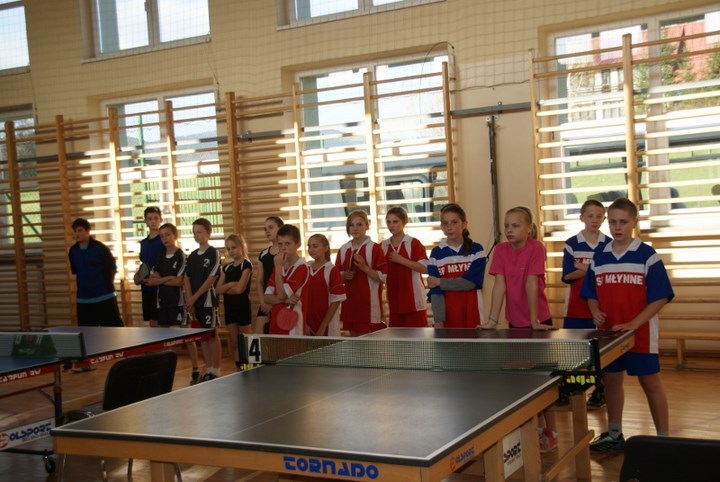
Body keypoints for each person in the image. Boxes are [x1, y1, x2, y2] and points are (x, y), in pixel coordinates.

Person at [581, 198, 673, 452]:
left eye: (623, 222)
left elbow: (661, 297)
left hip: (641, 332)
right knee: (611, 381)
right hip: (610, 334)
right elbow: (590, 293)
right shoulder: (600, 256)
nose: (617, 227)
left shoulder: (647, 256)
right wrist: (595, 311)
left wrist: (634, 323)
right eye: (612, 222)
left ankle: (664, 438)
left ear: (634, 222)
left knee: (650, 383)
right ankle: (614, 434)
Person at [484, 206, 557, 453]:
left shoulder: (536, 248)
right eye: (506, 225)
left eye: (515, 226)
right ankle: (536, 430)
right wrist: (492, 320)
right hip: (515, 324)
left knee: (543, 380)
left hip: (540, 324)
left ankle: (552, 432)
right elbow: (499, 286)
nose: (509, 230)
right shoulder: (501, 250)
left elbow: (531, 283)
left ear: (528, 228)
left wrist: (534, 320)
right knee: (523, 382)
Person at [562, 199, 609, 408]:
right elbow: (567, 275)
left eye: (599, 216)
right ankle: (571, 390)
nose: (594, 220)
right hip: (574, 307)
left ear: (604, 218)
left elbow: (605, 273)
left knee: (599, 353)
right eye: (590, 216)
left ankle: (600, 391)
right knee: (572, 352)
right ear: (582, 218)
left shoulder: (608, 244)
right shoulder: (572, 243)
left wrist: (582, 267)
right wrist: (592, 268)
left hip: (599, 307)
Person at [425, 204, 485, 328]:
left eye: (454, 222)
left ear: (464, 224)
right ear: (441, 227)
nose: (449, 227)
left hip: (472, 312)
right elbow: (435, 290)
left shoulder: (477, 250)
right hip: (447, 316)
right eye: (445, 223)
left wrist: (439, 281)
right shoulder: (436, 253)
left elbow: (470, 283)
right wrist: (439, 320)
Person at [335, 210, 387, 336]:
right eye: (351, 225)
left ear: (366, 226)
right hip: (350, 303)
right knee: (354, 339)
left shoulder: (374, 248)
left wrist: (364, 267)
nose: (355, 228)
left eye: (359, 224)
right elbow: (336, 277)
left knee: (370, 341)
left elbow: (383, 277)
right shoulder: (344, 249)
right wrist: (343, 276)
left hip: (369, 304)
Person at [183, 218, 222, 383]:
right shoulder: (191, 256)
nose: (196, 235)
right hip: (195, 302)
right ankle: (208, 368)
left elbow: (211, 279)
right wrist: (189, 299)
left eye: (199, 232)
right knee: (202, 336)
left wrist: (194, 297)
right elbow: (186, 278)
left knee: (212, 334)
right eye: (194, 232)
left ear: (208, 233)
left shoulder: (213, 253)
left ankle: (216, 370)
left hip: (207, 301)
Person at [68, 218, 124, 327]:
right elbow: (75, 271)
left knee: (112, 331)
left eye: (80, 230)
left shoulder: (100, 248)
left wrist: (105, 283)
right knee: (88, 333)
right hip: (84, 300)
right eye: (75, 231)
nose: (77, 234)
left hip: (104, 297)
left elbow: (112, 267)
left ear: (88, 231)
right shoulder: (73, 251)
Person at [381, 207, 428, 327]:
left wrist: (401, 260)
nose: (391, 225)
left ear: (404, 222)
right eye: (388, 222)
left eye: (395, 221)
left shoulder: (414, 243)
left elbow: (425, 268)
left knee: (418, 337)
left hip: (414, 301)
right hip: (394, 301)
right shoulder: (383, 246)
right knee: (398, 338)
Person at [264, 225, 309, 335]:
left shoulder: (301, 267)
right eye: (280, 244)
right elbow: (266, 298)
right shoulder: (278, 267)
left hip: (293, 327)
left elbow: (281, 295)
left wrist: (278, 266)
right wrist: (285, 301)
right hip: (275, 322)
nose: (283, 248)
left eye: (288, 244)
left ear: (298, 245)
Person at [216, 234, 253, 368]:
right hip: (229, 308)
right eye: (229, 249)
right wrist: (230, 284)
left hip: (242, 307)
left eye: (234, 247)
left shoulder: (246, 265)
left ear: (242, 247)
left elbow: (240, 289)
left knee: (244, 340)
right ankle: (239, 367)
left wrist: (226, 289)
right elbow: (217, 289)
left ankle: (248, 366)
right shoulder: (227, 268)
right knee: (234, 342)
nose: (231, 251)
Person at [144, 223, 187, 327]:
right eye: (162, 236)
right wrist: (169, 278)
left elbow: (178, 281)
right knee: (165, 333)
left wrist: (159, 281)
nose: (165, 238)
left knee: (183, 333)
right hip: (162, 302)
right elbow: (154, 277)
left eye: (167, 235)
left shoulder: (181, 256)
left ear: (175, 236)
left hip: (177, 302)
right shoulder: (160, 257)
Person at [304, 234, 346, 336]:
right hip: (307, 326)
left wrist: (322, 327)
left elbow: (336, 301)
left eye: (315, 246)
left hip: (327, 327)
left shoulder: (332, 270)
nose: (311, 249)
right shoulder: (305, 267)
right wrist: (303, 323)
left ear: (326, 248)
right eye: (309, 246)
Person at [133, 207, 164, 327]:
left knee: (161, 322)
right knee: (152, 321)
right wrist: (138, 275)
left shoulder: (164, 240)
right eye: (149, 219)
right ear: (145, 221)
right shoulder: (144, 243)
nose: (153, 221)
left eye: (156, 218)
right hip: (146, 287)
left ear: (161, 219)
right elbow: (144, 264)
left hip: (160, 287)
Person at [254, 216, 284, 334]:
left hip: (280, 301)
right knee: (258, 336)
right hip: (265, 302)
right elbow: (259, 281)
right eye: (265, 229)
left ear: (280, 228)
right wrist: (263, 302)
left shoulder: (285, 252)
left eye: (271, 227)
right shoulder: (264, 254)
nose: (267, 231)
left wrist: (274, 302)